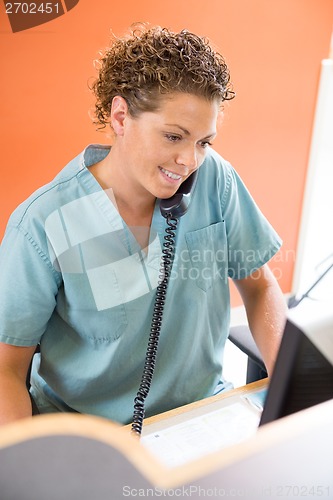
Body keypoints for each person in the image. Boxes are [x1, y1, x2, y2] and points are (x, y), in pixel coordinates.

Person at [0, 25, 287, 427]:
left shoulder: (216, 181)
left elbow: (259, 286)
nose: (190, 160)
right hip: (86, 435)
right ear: (120, 116)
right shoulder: (43, 222)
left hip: (200, 416)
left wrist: (296, 392)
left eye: (205, 142)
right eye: (173, 136)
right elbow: (6, 369)